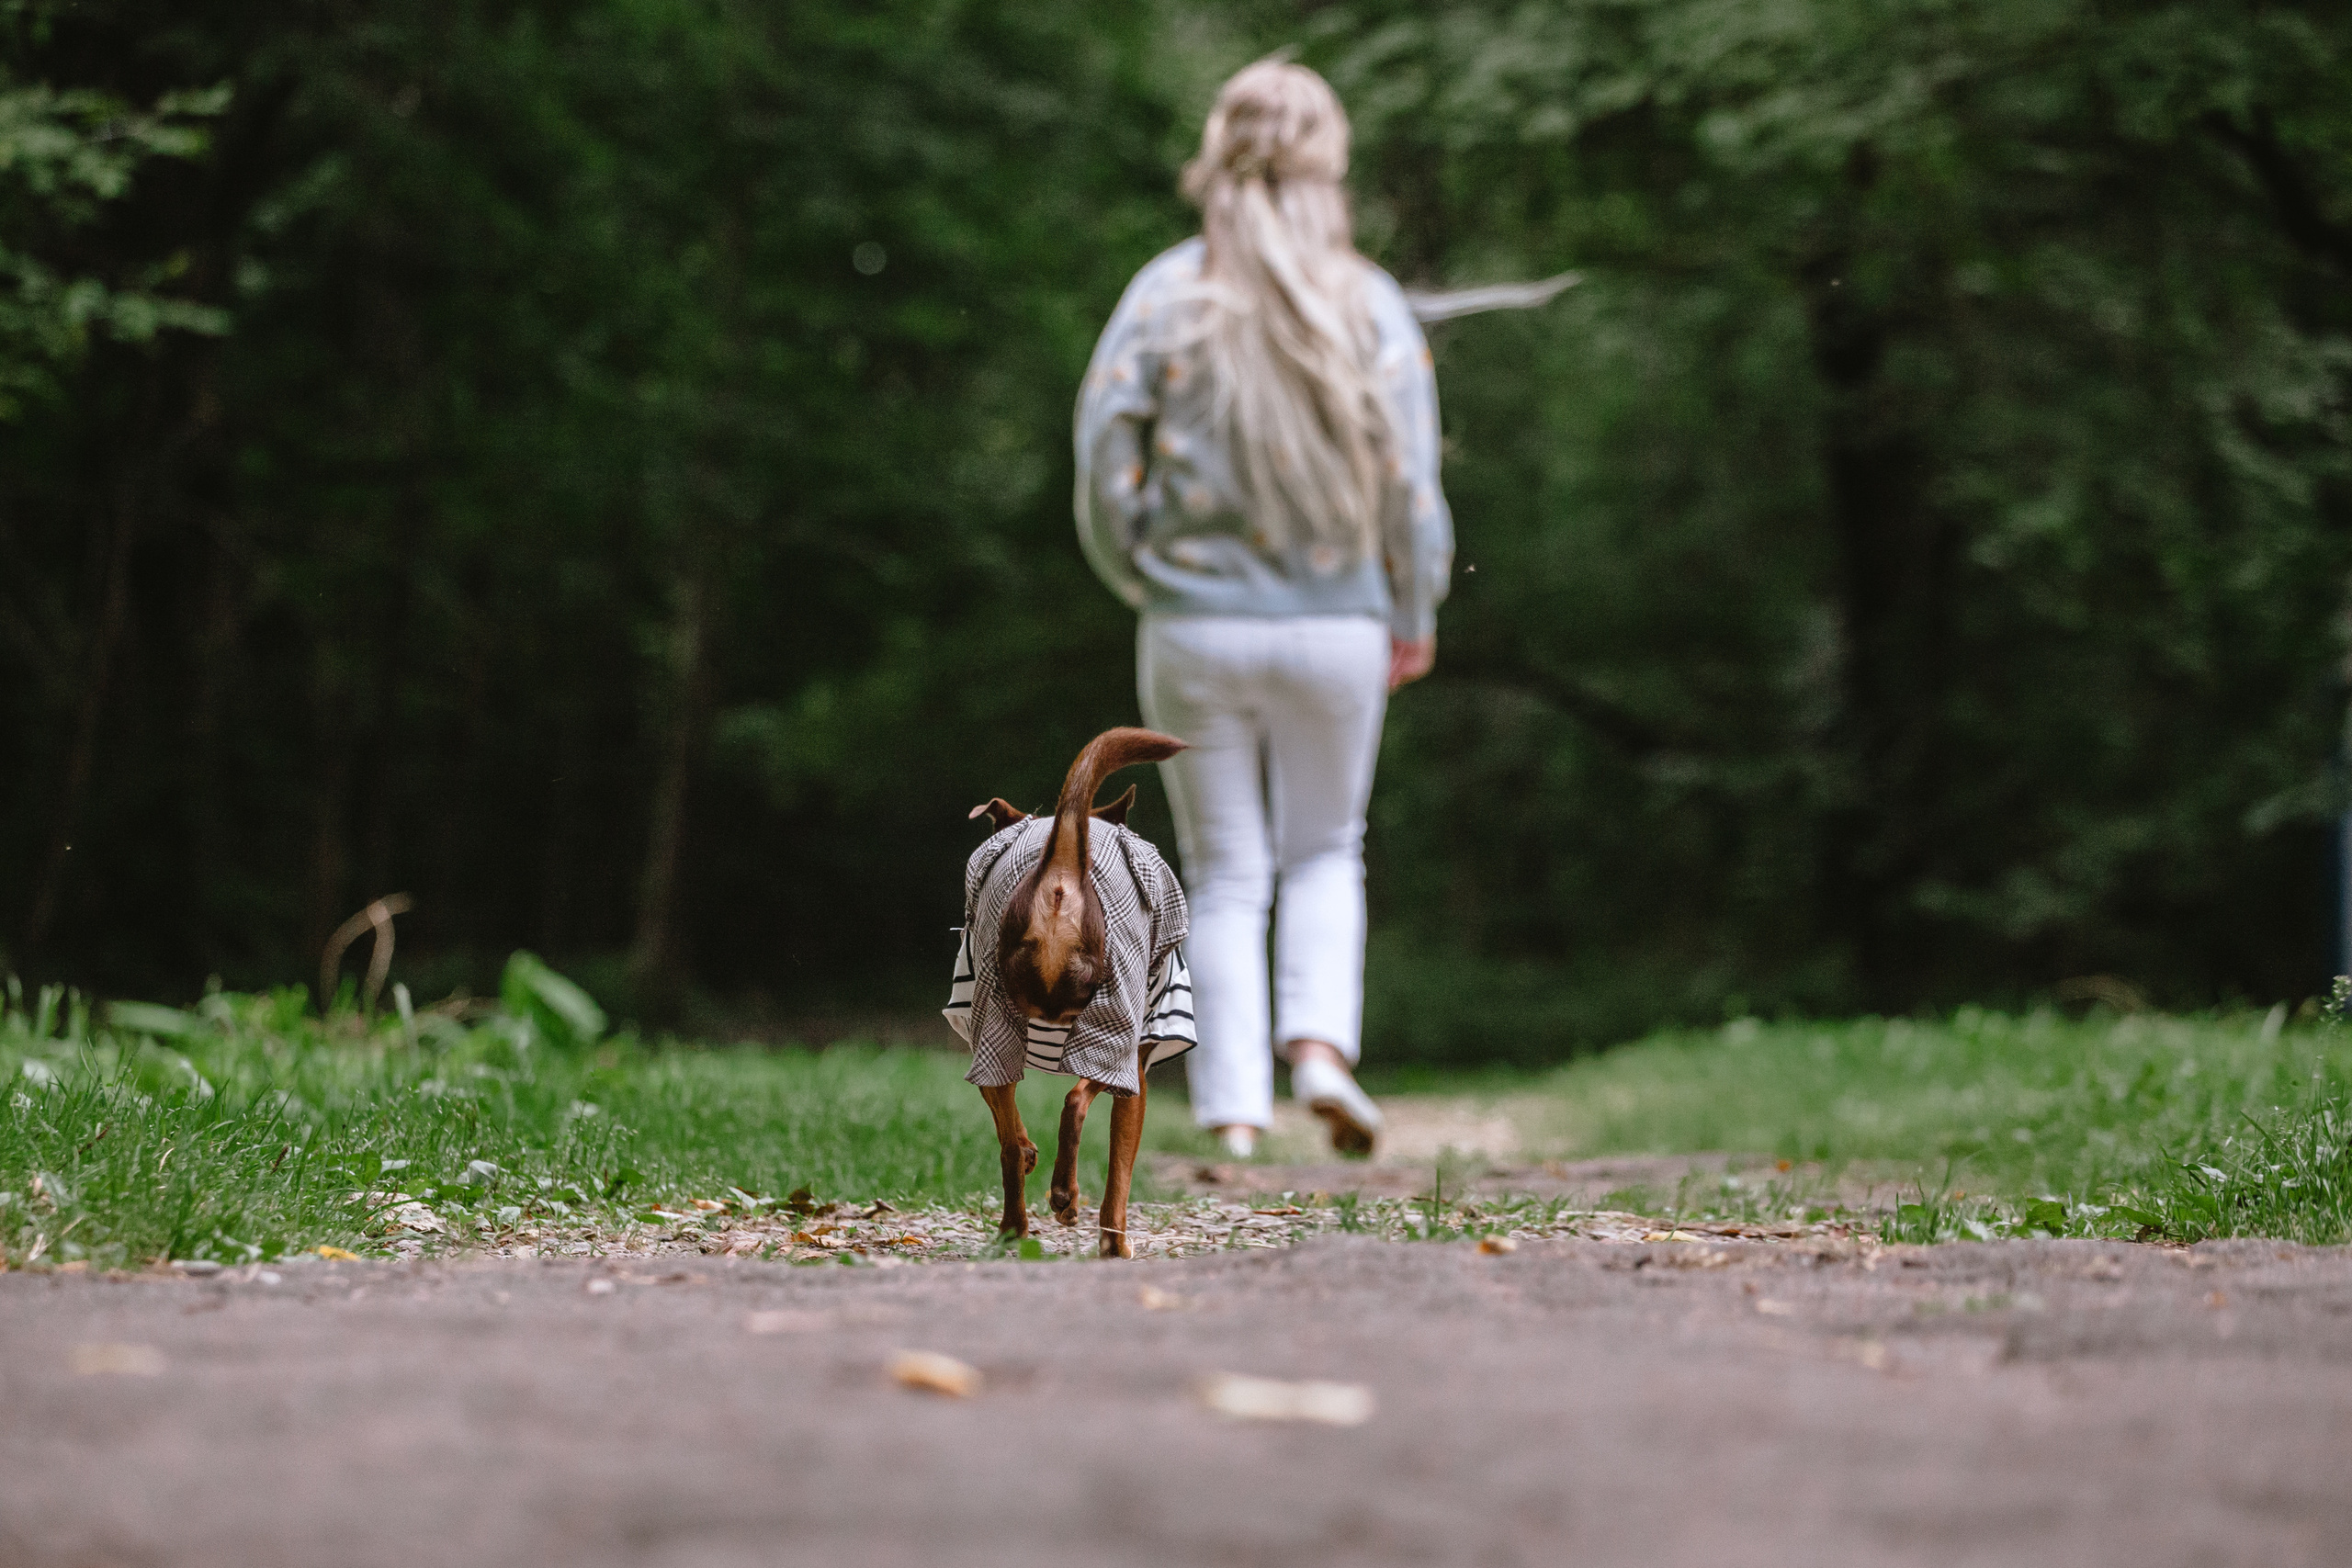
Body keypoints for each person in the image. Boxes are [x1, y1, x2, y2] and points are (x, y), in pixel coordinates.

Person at [1073, 59, 1452, 1159]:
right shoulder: (1367, 301)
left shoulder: (1166, 293)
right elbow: (1413, 487)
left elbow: (1102, 452)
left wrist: (1138, 573)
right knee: (1327, 848)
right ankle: (1322, 1054)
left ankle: (1234, 1114)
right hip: (1341, 623)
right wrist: (1413, 607)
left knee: (1226, 871)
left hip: (1193, 623)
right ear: (1329, 166)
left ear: (1216, 159)